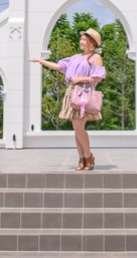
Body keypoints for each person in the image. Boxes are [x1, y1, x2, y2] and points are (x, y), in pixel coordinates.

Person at [30, 28, 105, 171]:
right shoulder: (76, 57)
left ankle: (88, 156)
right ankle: (82, 158)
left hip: (84, 92)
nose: (81, 41)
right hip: (72, 92)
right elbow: (59, 66)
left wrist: (79, 79)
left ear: (92, 42)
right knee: (76, 127)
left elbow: (98, 77)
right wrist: (41, 61)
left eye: (84, 39)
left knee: (78, 126)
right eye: (81, 39)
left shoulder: (95, 57)